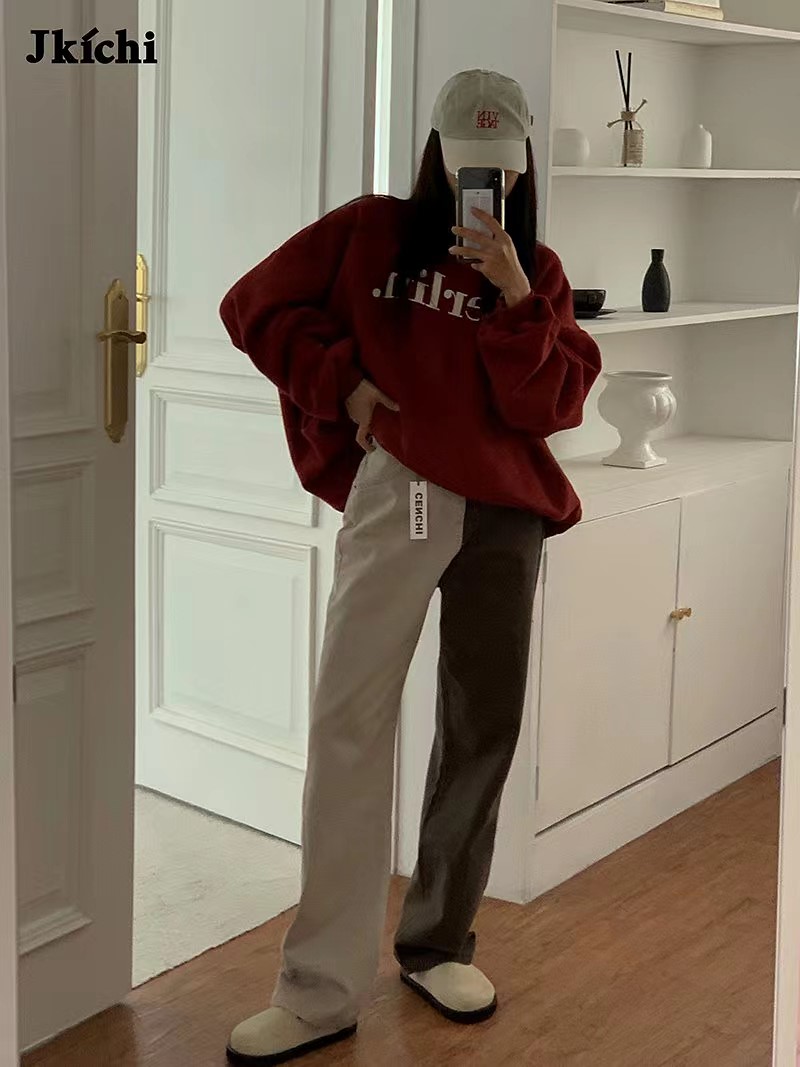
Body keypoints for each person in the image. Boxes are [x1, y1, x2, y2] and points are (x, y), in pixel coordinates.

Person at [219, 68, 602, 1066]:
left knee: (480, 730)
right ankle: (319, 988)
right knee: (347, 724)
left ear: (522, 167)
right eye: (471, 165)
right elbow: (253, 304)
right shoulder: (369, 234)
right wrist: (341, 385)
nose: (488, 186)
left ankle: (437, 941)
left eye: (502, 169)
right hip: (405, 496)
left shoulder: (537, 270)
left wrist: (516, 292)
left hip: (504, 518)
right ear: (436, 155)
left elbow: (551, 406)